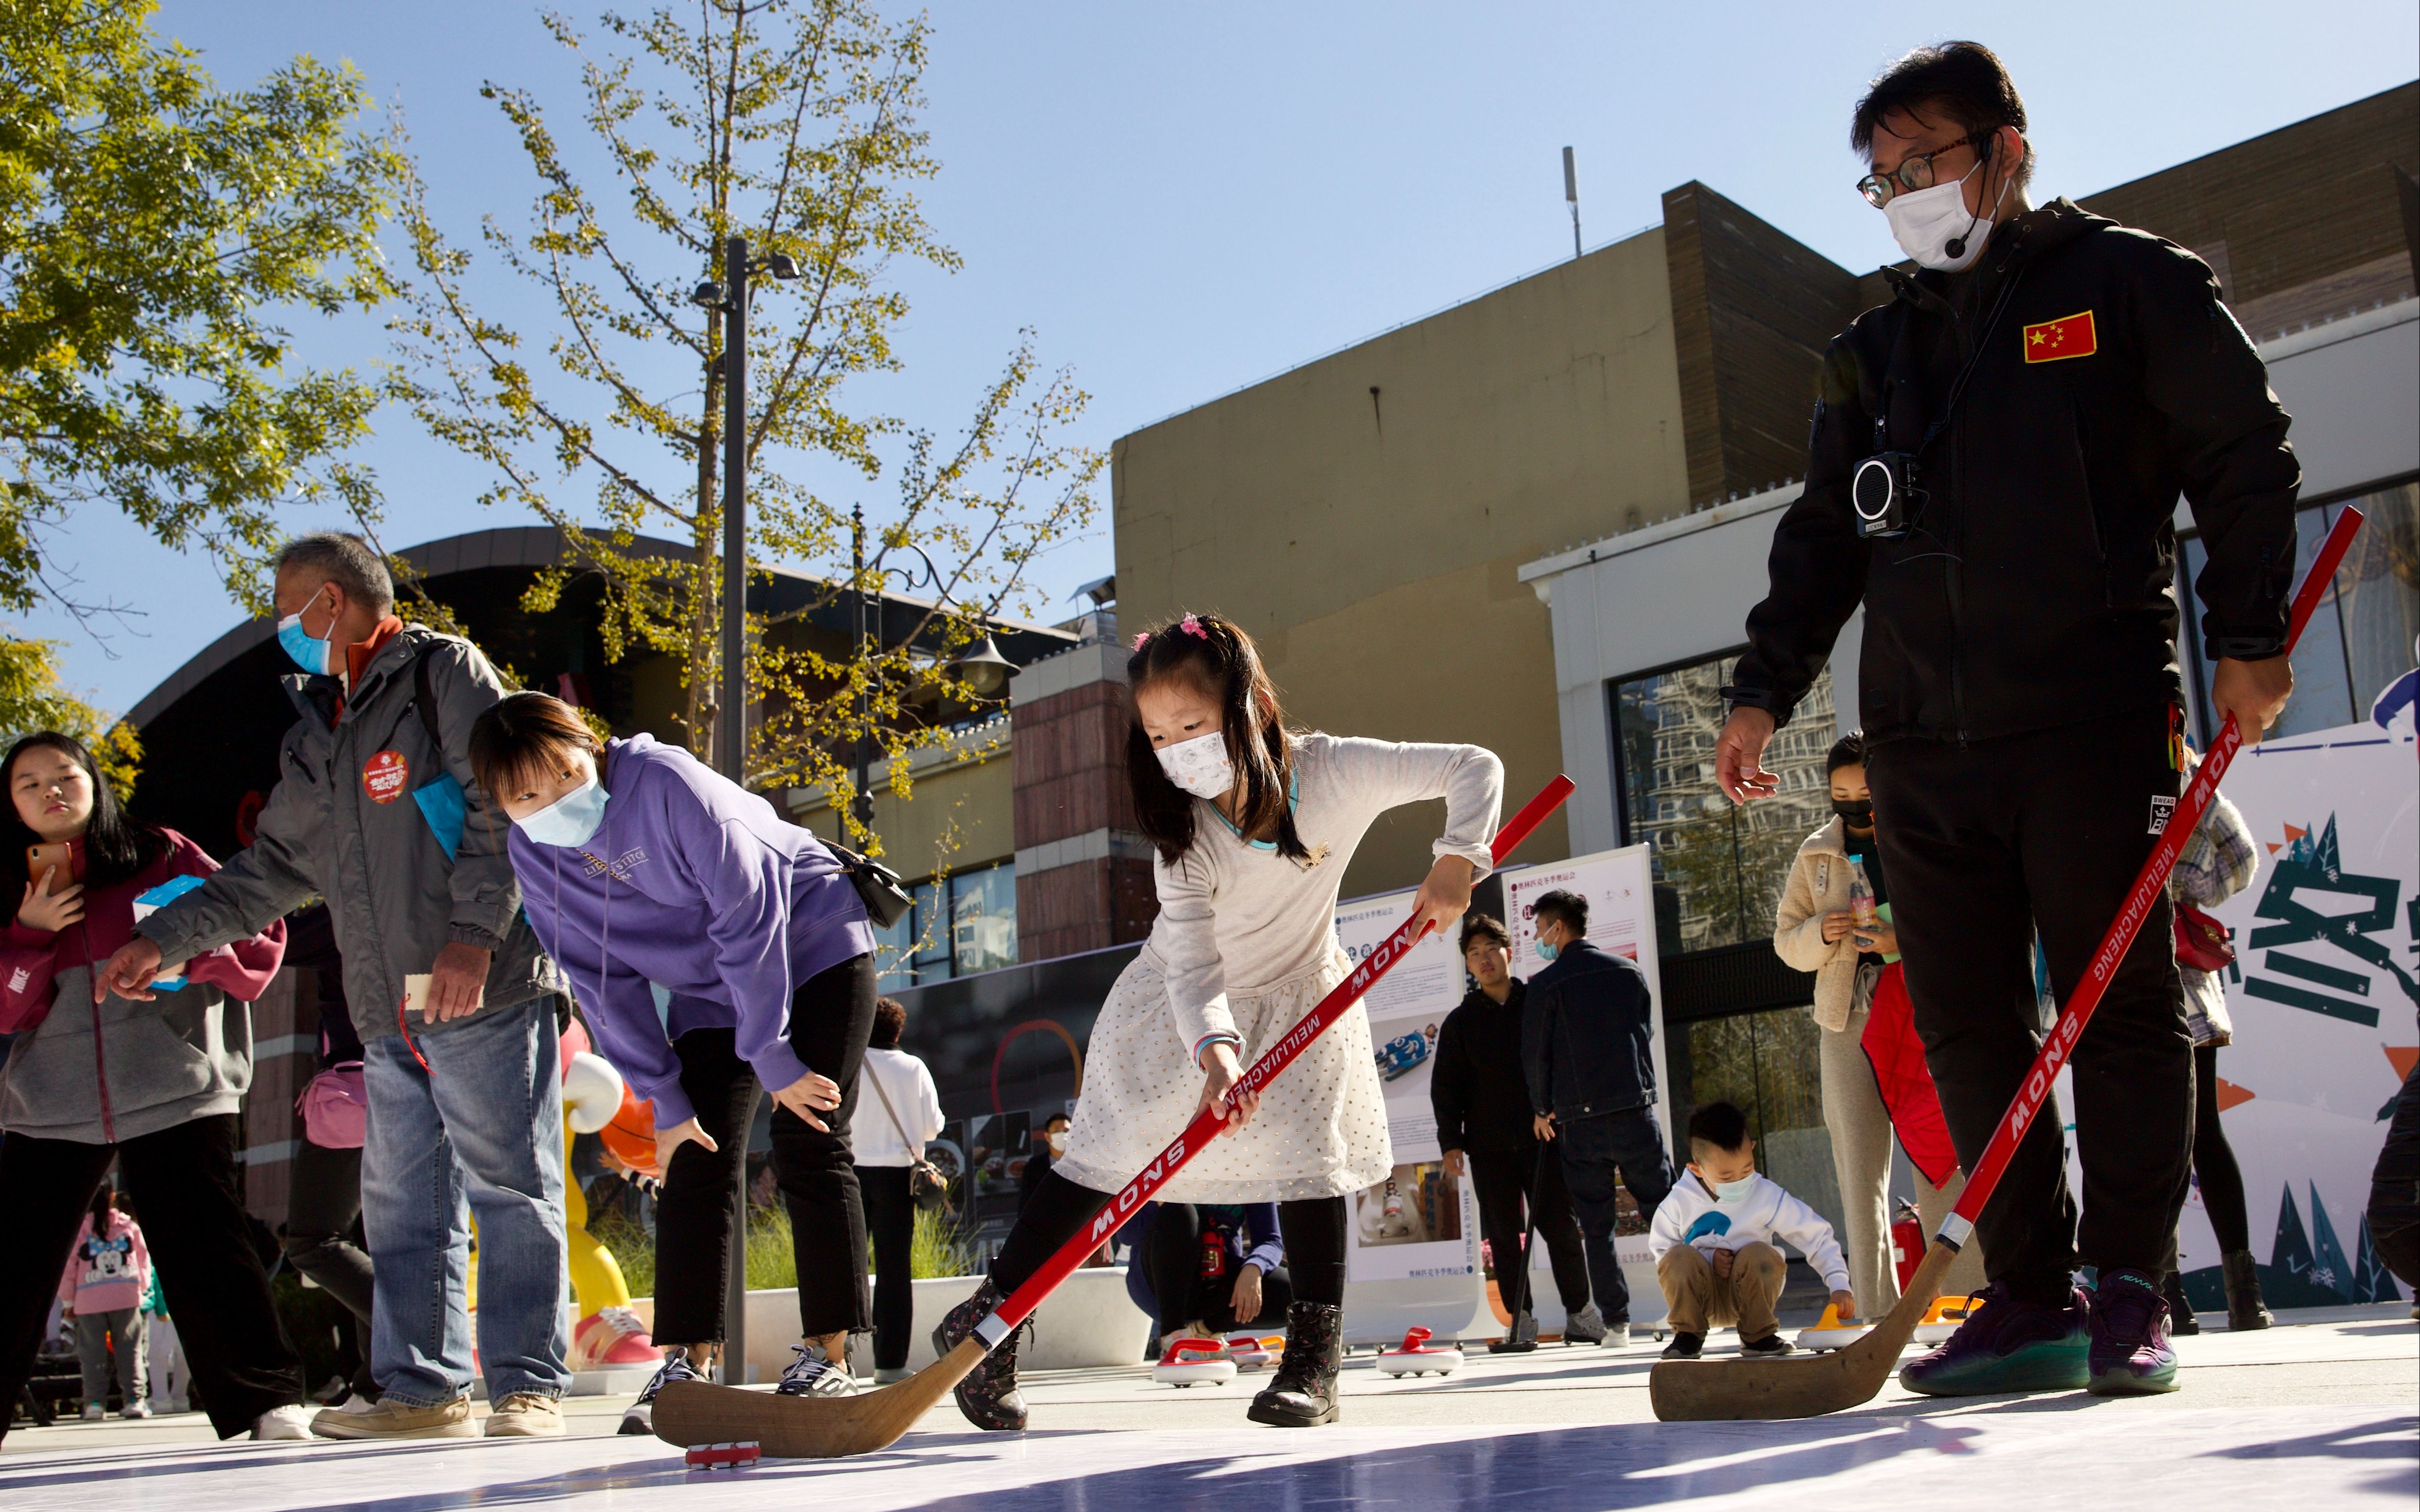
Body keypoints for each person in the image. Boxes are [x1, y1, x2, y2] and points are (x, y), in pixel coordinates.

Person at [1714, 42, 2300, 1400]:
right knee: (1969, 1024)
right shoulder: (1870, 350)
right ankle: (2027, 1291)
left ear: (2009, 146)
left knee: (2125, 1007)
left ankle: (2132, 1287)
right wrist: (1761, 688)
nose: (1908, 192)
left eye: (1927, 162)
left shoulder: (2127, 284)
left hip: (2091, 718)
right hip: (1922, 745)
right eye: (1883, 178)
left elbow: (2245, 451)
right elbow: (1820, 541)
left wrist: (2254, 633)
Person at [933, 611, 1503, 1432]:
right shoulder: (1182, 832)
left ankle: (1313, 1360)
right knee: (1102, 1162)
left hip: (1303, 988)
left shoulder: (1334, 770)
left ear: (1252, 704)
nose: (1179, 749)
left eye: (1194, 725)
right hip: (1179, 1007)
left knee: (1310, 1165)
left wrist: (1460, 856)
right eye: (1160, 735)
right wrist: (1217, 1052)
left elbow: (1471, 765)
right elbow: (1195, 962)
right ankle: (990, 1323)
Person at [97, 533, 573, 1438]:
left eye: (287, 607)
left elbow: (503, 799)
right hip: (388, 1008)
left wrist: (475, 934)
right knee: (404, 1203)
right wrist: (159, 942)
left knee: (511, 1184)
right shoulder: (317, 734)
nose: (282, 626)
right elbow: (268, 868)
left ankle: (528, 1383)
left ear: (331, 599)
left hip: (486, 984)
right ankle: (423, 1388)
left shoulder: (443, 675)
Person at [463, 691, 878, 1430]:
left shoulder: (668, 783)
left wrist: (771, 1053)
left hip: (807, 936)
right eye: (527, 794)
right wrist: (664, 1094)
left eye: (564, 773)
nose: (553, 799)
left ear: (589, 745)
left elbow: (748, 916)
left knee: (808, 1131)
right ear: (501, 803)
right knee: (692, 1151)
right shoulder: (532, 853)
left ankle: (830, 1355)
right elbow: (599, 978)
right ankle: (689, 1361)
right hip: (710, 984)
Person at [0, 732, 311, 1443]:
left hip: (176, 1082)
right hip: (49, 1104)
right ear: (11, 804)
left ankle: (264, 1400)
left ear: (93, 781)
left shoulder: (158, 853)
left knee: (207, 1244)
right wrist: (28, 930)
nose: (51, 790)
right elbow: (5, 1007)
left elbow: (256, 937)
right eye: (29, 782)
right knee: (13, 1263)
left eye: (64, 773)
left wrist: (172, 950)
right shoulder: (6, 885)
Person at [1773, 732, 1983, 1316]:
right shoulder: (1816, 853)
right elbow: (1784, 941)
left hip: (1921, 1006)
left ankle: (1966, 1297)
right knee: (1858, 1166)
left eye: (1862, 791)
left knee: (1938, 1151)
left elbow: (1967, 921)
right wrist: (1821, 933)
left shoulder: (1922, 831)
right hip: (1845, 1013)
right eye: (1839, 793)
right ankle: (1874, 1307)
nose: (1852, 804)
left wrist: (1904, 942)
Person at [1431, 914, 1600, 1352]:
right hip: (1488, 1148)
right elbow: (1446, 1087)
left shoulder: (1540, 1001)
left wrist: (1561, 1114)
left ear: (1508, 951)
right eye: (1474, 953)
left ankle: (1582, 1316)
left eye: (1491, 949)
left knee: (1561, 1229)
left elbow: (1566, 1062)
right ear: (1467, 964)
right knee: (1504, 1237)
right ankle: (1520, 1323)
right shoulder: (1460, 1022)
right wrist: (1451, 1142)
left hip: (1545, 1140)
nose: (1484, 959)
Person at [1521, 888, 1672, 1348]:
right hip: (1634, 1109)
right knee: (1666, 1215)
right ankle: (1692, 1304)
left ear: (1557, 928)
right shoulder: (1628, 971)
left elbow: (1535, 1054)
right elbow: (1642, 1030)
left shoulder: (1546, 984)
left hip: (1579, 1122)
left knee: (1598, 1229)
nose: (1537, 938)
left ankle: (1618, 1324)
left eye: (1538, 929)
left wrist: (1541, 1106)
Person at [2161, 764, 2270, 1333]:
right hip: (2171, 979)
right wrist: (2182, 886)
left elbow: (2238, 857)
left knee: (2148, 1138)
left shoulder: (2083, 755)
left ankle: (2165, 1297)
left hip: (2118, 976)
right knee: (2199, 1130)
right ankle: (2240, 1296)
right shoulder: (2177, 763)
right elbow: (2238, 857)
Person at [1651, 1102, 1856, 1360]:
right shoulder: (1678, 1203)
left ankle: (1758, 1335)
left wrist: (1839, 1284)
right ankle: (1688, 1336)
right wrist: (1708, 1259)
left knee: (1761, 1254)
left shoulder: (1766, 1195)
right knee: (1677, 1257)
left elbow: (1815, 1235)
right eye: (1726, 1177)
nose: (1739, 1181)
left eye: (1747, 1169)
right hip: (1701, 1300)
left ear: (1752, 1150)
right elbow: (1662, 1255)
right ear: (1697, 1170)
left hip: (1751, 1297)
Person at [277, 903, 381, 1409]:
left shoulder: (347, 907)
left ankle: (411, 1326)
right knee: (376, 1241)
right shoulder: (422, 892)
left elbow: (272, 937)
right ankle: (379, 1381)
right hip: (425, 1081)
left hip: (356, 1093)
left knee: (312, 1240)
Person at [855, 996, 943, 1386]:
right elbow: (932, 1127)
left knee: (849, 1265)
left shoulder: (851, 1064)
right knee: (894, 1272)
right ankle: (889, 1364)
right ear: (898, 1030)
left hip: (852, 1171)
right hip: (897, 1177)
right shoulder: (913, 1067)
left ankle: (834, 1358)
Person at [1125, 1201, 1289, 1350]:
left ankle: (1204, 1331)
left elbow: (1270, 1240)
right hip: (1157, 1285)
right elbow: (1127, 1234)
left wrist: (1254, 1268)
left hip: (1216, 1277)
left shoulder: (1252, 1171)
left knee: (1293, 1295)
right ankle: (1172, 1337)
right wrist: (1156, 1202)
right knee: (1178, 1208)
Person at [61, 1181, 149, 1420]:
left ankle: (94, 1404)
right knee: (129, 1349)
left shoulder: (80, 1229)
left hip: (89, 1297)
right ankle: (134, 1399)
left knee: (92, 1352)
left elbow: (69, 1266)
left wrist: (68, 1301)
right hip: (126, 1294)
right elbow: (143, 1261)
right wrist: (142, 1287)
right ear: (112, 1196)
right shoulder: (128, 1226)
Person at [1021, 1112, 1071, 1212]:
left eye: (1066, 1131)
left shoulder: (1082, 1163)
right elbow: (1026, 1203)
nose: (1062, 1135)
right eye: (1056, 1131)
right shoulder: (1034, 1167)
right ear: (1047, 1136)